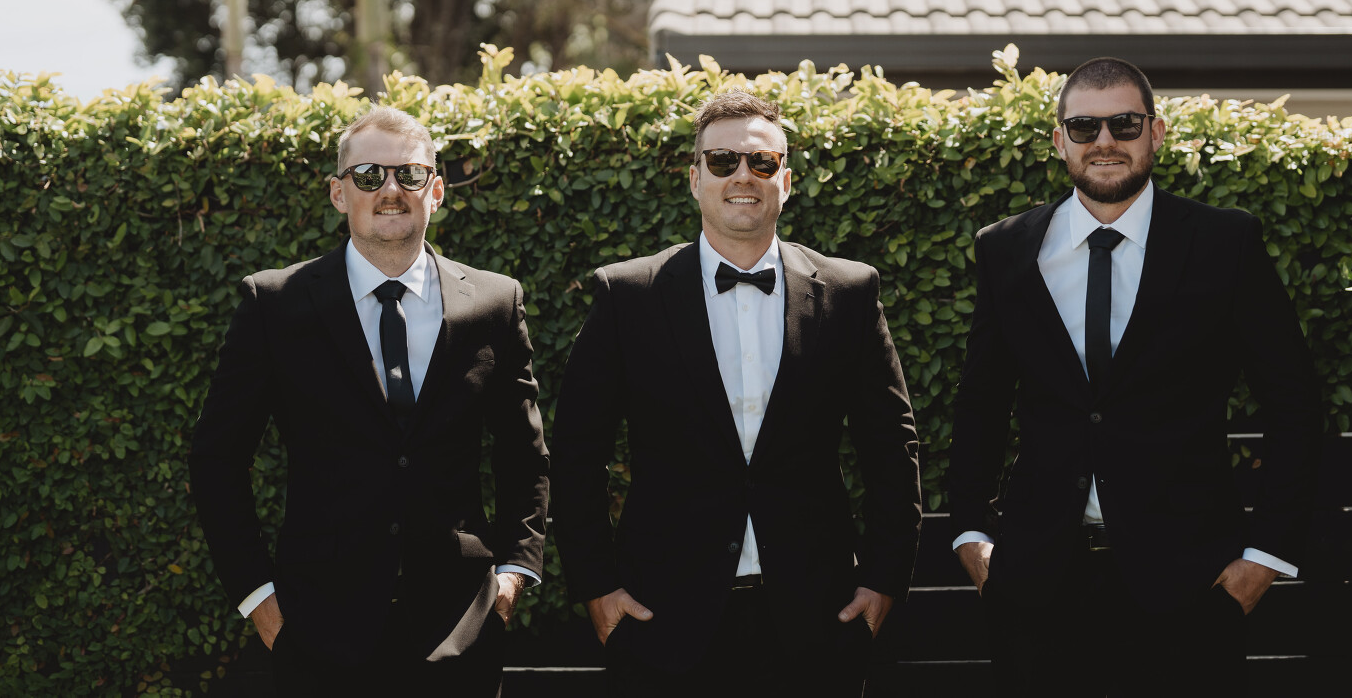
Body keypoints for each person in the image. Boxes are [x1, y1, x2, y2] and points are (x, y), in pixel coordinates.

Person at [949, 57, 1320, 695]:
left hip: (1193, 589)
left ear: (1157, 132)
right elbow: (980, 403)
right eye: (1084, 127)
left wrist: (1263, 560)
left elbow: (1294, 405)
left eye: (1124, 124)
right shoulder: (1005, 249)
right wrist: (972, 537)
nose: (1105, 142)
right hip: (1037, 588)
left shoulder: (1225, 243)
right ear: (1060, 140)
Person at [551, 89, 921, 697]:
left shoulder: (849, 293)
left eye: (762, 162)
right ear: (694, 179)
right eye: (722, 161)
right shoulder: (628, 296)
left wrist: (883, 581)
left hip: (819, 623)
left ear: (786, 180)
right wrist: (598, 589)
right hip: (660, 623)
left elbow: (891, 447)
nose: (742, 176)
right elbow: (576, 452)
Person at [190, 106, 550, 697]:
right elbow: (217, 458)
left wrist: (512, 574)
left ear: (436, 191)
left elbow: (524, 454)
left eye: (409, 174)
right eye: (368, 175)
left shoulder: (493, 302)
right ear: (338, 193)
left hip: (461, 629)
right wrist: (258, 598)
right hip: (316, 632)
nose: (390, 190)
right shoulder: (274, 305)